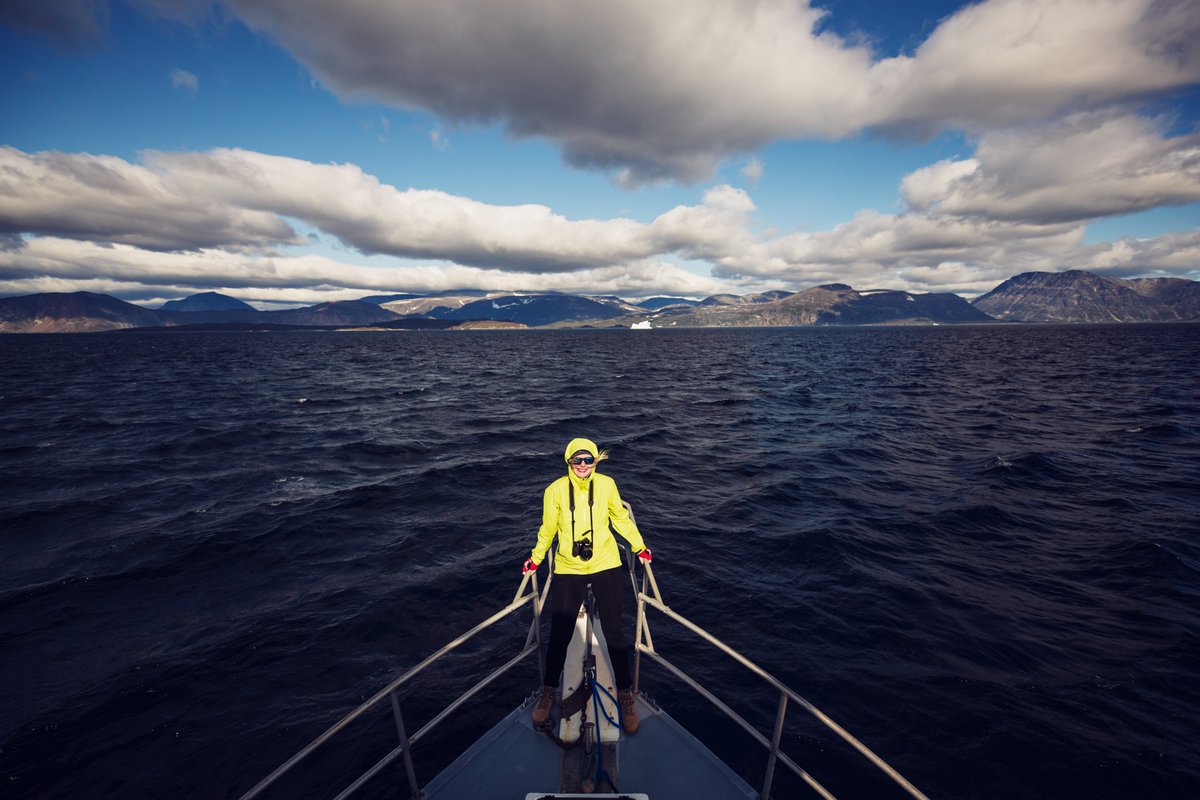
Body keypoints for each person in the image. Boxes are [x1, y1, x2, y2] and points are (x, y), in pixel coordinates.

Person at [522, 437, 653, 734]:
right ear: (568, 461)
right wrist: (536, 558)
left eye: (588, 460)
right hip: (569, 566)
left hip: (606, 563)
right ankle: (548, 692)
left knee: (614, 631)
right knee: (560, 633)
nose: (583, 466)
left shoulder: (607, 484)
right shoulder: (554, 491)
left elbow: (620, 519)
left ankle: (625, 694)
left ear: (596, 460)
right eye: (577, 460)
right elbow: (548, 529)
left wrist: (639, 546)